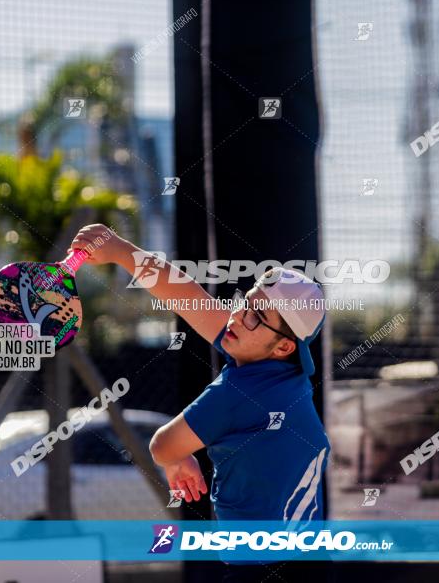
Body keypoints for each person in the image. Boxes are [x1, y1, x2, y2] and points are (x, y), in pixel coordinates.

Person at [70, 225, 332, 582]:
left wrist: (176, 456)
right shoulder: (282, 371)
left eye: (259, 316)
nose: (240, 315)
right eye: (248, 301)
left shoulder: (240, 393)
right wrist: (119, 250)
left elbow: (161, 445)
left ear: (284, 346)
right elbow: (188, 298)